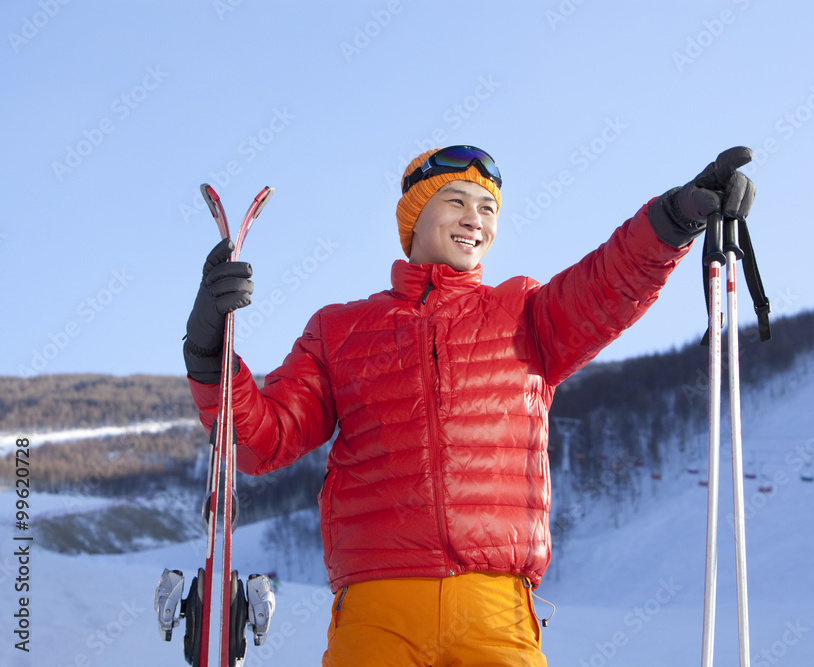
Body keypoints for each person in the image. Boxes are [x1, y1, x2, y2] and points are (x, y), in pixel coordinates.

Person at [183, 145, 755, 665]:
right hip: (379, 606)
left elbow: (607, 284)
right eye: (455, 201)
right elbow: (261, 440)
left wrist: (672, 221)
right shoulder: (340, 330)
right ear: (414, 218)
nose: (474, 218)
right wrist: (210, 353)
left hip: (495, 606)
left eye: (487, 207)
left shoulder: (525, 314)